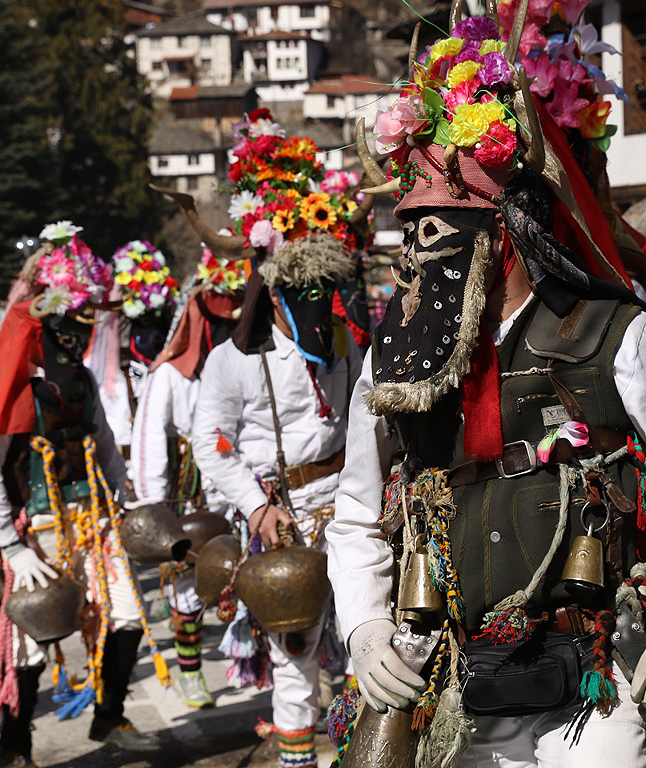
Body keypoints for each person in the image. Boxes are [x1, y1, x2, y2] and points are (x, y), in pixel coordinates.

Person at [326, 13, 646, 767]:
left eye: (448, 229)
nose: (426, 256)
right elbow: (356, 514)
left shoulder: (620, 333)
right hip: (446, 678)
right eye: (414, 231)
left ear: (509, 230)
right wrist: (361, 625)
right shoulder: (389, 358)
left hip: (593, 676)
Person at [191, 111, 365, 768]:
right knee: (297, 660)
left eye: (329, 288)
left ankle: (354, 753)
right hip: (281, 518)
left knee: (363, 640)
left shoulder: (348, 344)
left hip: (348, 505)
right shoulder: (234, 360)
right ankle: (296, 760)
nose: (320, 303)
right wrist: (258, 507)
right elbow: (213, 444)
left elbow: (364, 427)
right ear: (281, 291)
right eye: (305, 291)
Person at [0, 225, 162, 768]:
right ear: (45, 323)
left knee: (128, 617)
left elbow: (103, 449)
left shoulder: (84, 383)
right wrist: (10, 546)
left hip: (92, 521)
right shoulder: (11, 382)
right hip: (36, 531)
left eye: (83, 325)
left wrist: (124, 502)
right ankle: (15, 749)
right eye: (68, 325)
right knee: (28, 640)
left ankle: (109, 714)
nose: (77, 337)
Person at [130, 241, 244, 709]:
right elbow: (150, 442)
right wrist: (156, 510)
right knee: (184, 585)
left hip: (232, 483)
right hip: (186, 493)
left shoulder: (238, 366)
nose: (222, 331)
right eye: (216, 323)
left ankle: (247, 659)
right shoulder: (169, 377)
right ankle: (191, 668)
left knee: (236, 574)